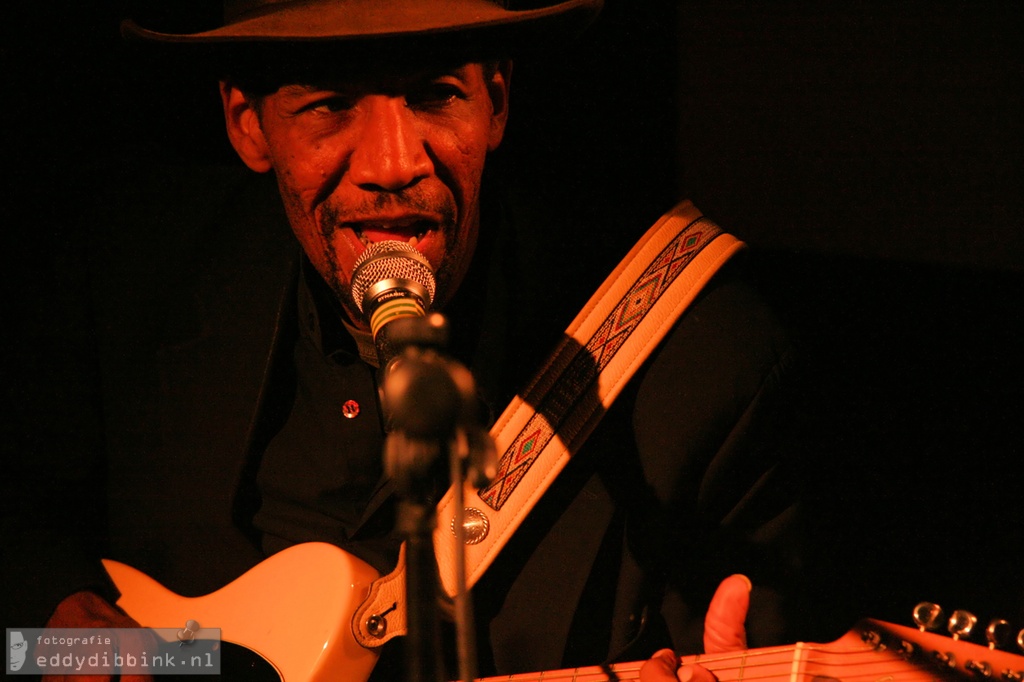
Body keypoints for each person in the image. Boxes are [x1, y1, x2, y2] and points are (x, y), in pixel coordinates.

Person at [3, 0, 799, 679]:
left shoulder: (700, 362)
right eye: (330, 104)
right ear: (248, 125)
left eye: (433, 94)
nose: (392, 165)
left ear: (496, 100)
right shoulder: (130, 274)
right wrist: (55, 637)